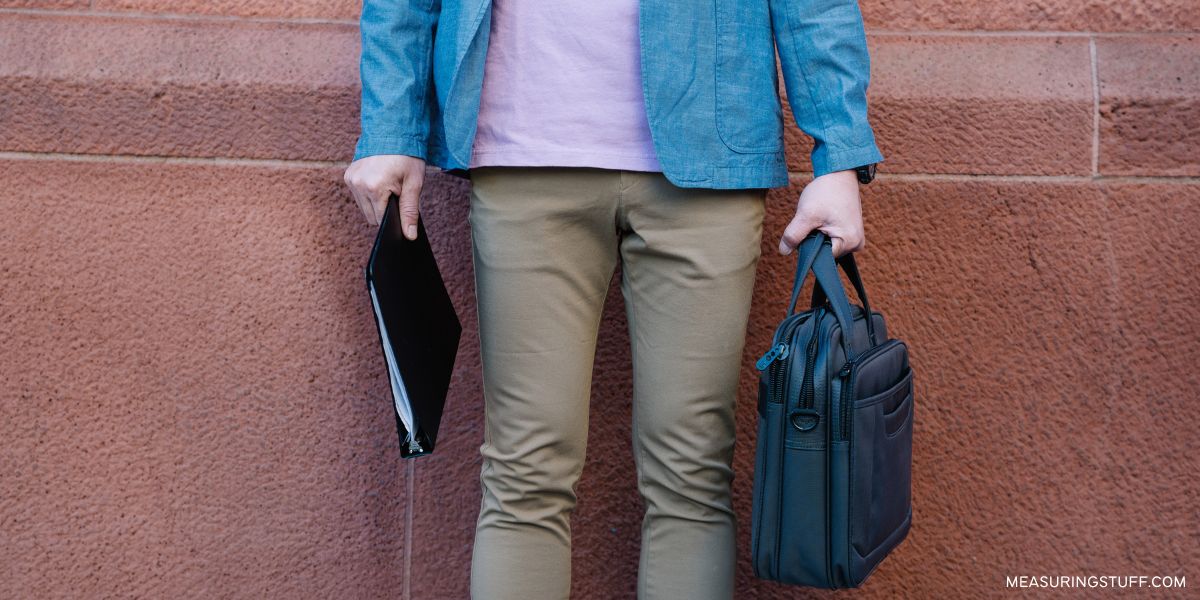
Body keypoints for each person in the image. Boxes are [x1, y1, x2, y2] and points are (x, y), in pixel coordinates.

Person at [344, 0, 884, 598]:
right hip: (524, 151)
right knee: (525, 472)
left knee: (692, 474)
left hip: (709, 149)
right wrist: (390, 127)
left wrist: (839, 153)